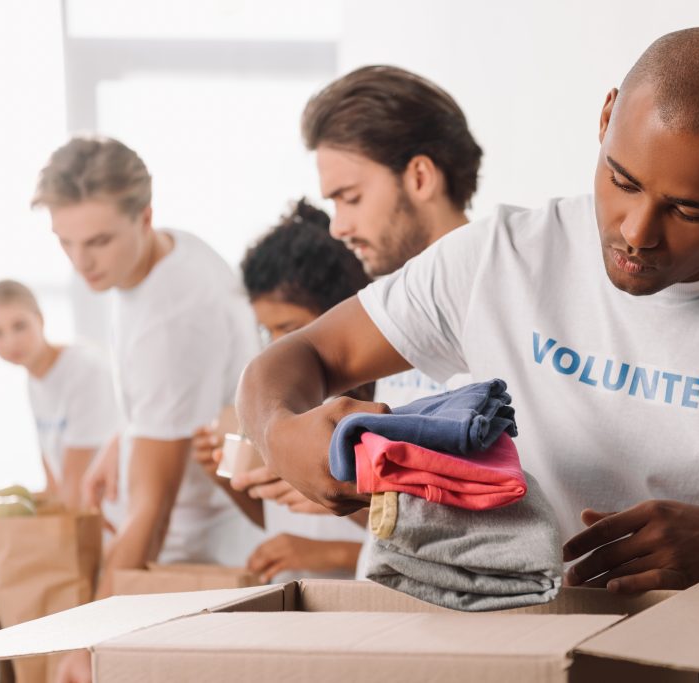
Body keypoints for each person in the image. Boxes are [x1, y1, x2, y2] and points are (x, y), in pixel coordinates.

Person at [237, 27, 699, 595]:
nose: (637, 230)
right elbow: (300, 360)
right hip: (505, 653)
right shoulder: (498, 260)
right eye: (621, 179)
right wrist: (279, 432)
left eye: (689, 209)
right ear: (605, 120)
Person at [31, 136, 265, 683]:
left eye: (98, 241)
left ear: (145, 216)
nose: (81, 262)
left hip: (193, 557)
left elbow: (152, 512)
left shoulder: (171, 322)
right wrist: (126, 438)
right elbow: (181, 397)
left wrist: (87, 642)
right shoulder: (167, 251)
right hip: (187, 537)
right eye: (65, 242)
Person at [192, 199, 371, 582]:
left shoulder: (381, 403)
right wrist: (228, 480)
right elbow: (279, 512)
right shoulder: (277, 401)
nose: (275, 347)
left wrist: (333, 552)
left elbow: (424, 538)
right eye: (266, 330)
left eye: (289, 328)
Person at [300, 64, 482, 408]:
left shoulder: (498, 311)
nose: (337, 228)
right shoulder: (388, 310)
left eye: (351, 198)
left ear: (420, 178)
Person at [0, 279, 117, 509]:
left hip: (112, 518)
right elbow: (54, 477)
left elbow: (75, 484)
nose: (10, 341)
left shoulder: (84, 370)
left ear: (40, 319)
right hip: (84, 514)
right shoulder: (35, 380)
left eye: (19, 326)